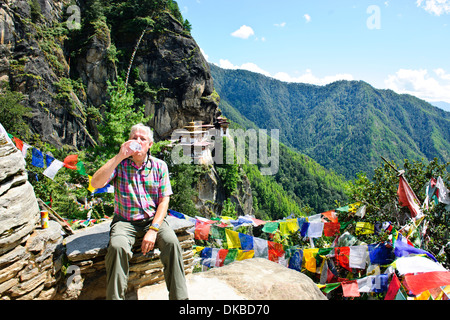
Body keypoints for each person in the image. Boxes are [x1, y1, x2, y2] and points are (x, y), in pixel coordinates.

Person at [91, 123, 188, 300]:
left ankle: (180, 299)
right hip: (124, 221)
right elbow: (95, 183)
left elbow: (164, 200)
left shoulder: (159, 166)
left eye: (142, 139)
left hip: (153, 219)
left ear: (149, 144)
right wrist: (119, 156)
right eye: (134, 137)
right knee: (117, 247)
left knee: (172, 243)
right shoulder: (119, 165)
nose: (137, 141)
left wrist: (153, 229)